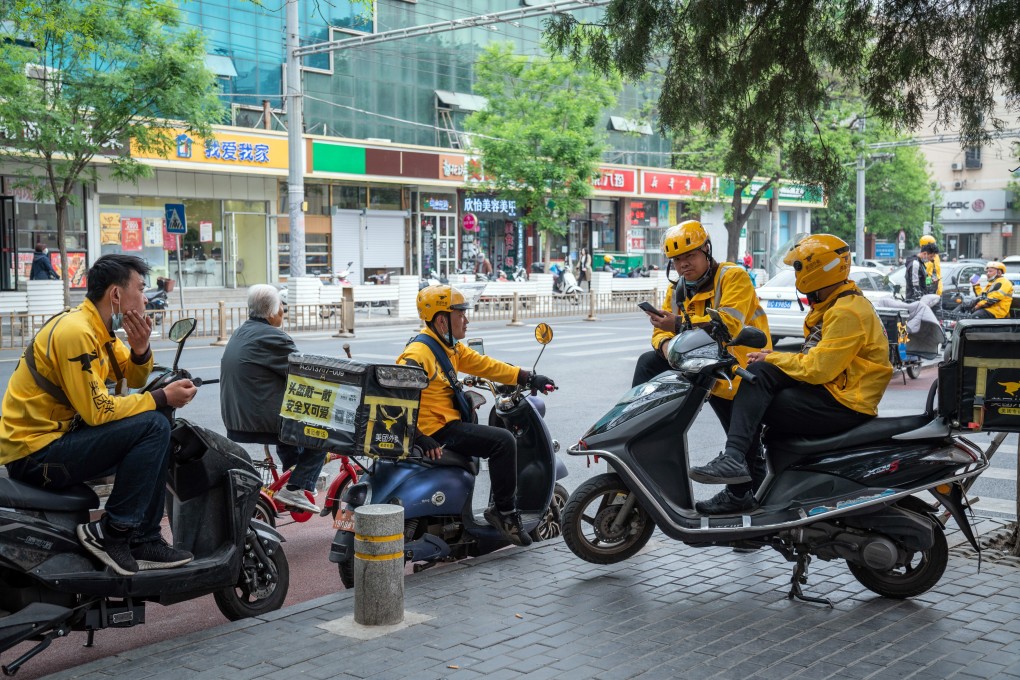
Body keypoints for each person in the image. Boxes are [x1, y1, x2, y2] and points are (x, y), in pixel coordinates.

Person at [0, 254, 197, 575]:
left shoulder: (99, 330)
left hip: (59, 442)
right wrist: (162, 396)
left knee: (159, 423)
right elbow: (98, 411)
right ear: (116, 295)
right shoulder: (76, 331)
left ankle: (144, 539)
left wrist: (141, 348)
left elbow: (133, 378)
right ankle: (111, 533)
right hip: (33, 454)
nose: (145, 297)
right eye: (140, 287)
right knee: (152, 425)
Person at [689, 234, 893, 512]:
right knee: (757, 376)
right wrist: (769, 360)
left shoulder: (847, 311)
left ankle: (737, 475)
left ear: (818, 269)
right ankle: (738, 475)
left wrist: (771, 357)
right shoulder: (835, 304)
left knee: (752, 397)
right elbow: (816, 360)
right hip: (835, 392)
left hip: (845, 404)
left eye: (799, 267)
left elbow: (819, 368)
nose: (796, 273)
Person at [630, 220, 772, 514]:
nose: (683, 265)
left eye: (689, 256)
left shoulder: (733, 277)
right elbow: (661, 332)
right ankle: (632, 431)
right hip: (706, 368)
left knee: (747, 449)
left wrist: (678, 324)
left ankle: (746, 508)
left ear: (707, 251)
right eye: (677, 260)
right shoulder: (680, 289)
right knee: (648, 361)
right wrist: (666, 346)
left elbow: (728, 325)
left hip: (743, 370)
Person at [397, 285, 555, 546]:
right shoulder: (418, 355)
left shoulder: (449, 349)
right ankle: (504, 512)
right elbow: (396, 399)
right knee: (503, 441)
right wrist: (418, 436)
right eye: (460, 314)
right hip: (436, 431)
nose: (466, 320)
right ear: (441, 320)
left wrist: (527, 376)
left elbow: (486, 365)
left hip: (440, 426)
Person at [220, 285, 325, 513]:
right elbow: (303, 375)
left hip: (238, 415)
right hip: (258, 418)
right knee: (323, 435)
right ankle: (296, 487)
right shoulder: (274, 337)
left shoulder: (242, 331)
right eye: (281, 309)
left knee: (291, 434)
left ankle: (292, 477)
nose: (283, 313)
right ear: (272, 312)